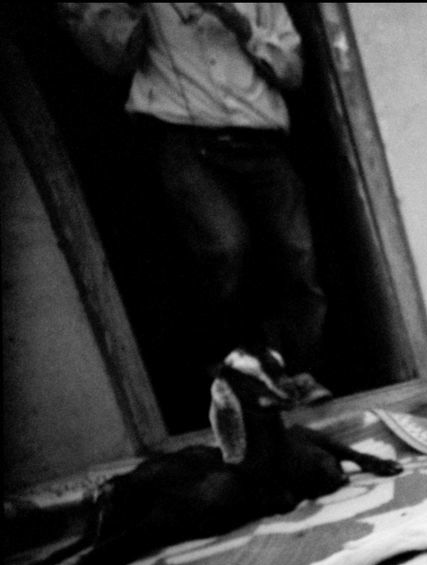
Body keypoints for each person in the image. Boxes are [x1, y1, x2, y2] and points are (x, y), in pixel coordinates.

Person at [59, 2, 332, 405]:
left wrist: (237, 20)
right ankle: (235, 379)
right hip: (183, 140)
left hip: (261, 137)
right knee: (223, 249)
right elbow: (111, 61)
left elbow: (292, 71)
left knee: (296, 253)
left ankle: (301, 372)